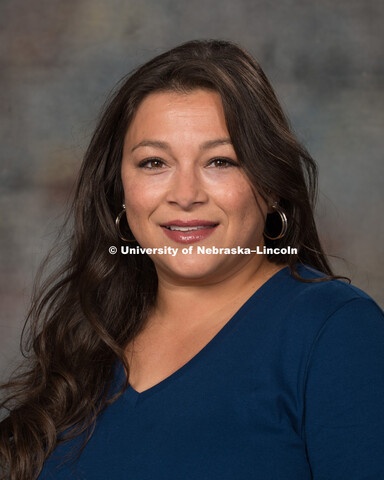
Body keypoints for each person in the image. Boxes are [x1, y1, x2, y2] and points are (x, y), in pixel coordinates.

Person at [0, 39, 383, 480]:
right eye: (154, 163)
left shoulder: (338, 333)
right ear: (120, 190)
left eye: (220, 161)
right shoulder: (89, 336)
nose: (185, 195)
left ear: (272, 182)